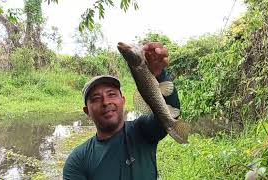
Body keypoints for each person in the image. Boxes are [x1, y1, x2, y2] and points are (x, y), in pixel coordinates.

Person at [63, 42, 180, 180]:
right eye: (96, 98)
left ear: (123, 101)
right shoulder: (77, 160)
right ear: (87, 111)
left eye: (112, 94)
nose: (106, 102)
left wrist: (160, 75)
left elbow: (171, 112)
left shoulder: (142, 130)